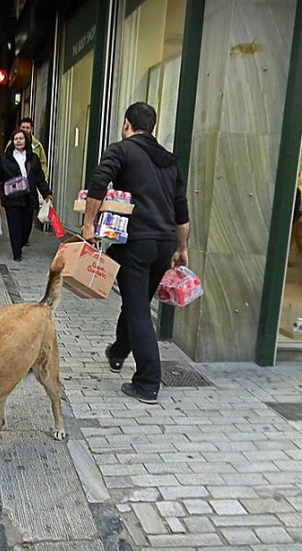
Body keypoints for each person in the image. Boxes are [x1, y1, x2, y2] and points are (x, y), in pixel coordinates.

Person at [82, 102, 190, 405]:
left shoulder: (121, 150)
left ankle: (147, 382)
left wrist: (88, 224)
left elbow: (98, 182)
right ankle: (118, 352)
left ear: (127, 124)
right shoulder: (170, 160)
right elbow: (181, 210)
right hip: (164, 243)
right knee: (136, 301)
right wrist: (182, 248)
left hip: (135, 243)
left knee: (139, 310)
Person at [0, 129, 52, 262]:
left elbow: (39, 177)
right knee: (14, 225)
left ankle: (21, 243)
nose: (18, 141)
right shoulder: (5, 158)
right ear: (12, 141)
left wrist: (46, 193)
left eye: (21, 138)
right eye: (16, 139)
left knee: (26, 226)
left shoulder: (33, 158)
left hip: (29, 197)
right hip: (12, 197)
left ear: (26, 140)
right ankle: (16, 253)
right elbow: (0, 173)